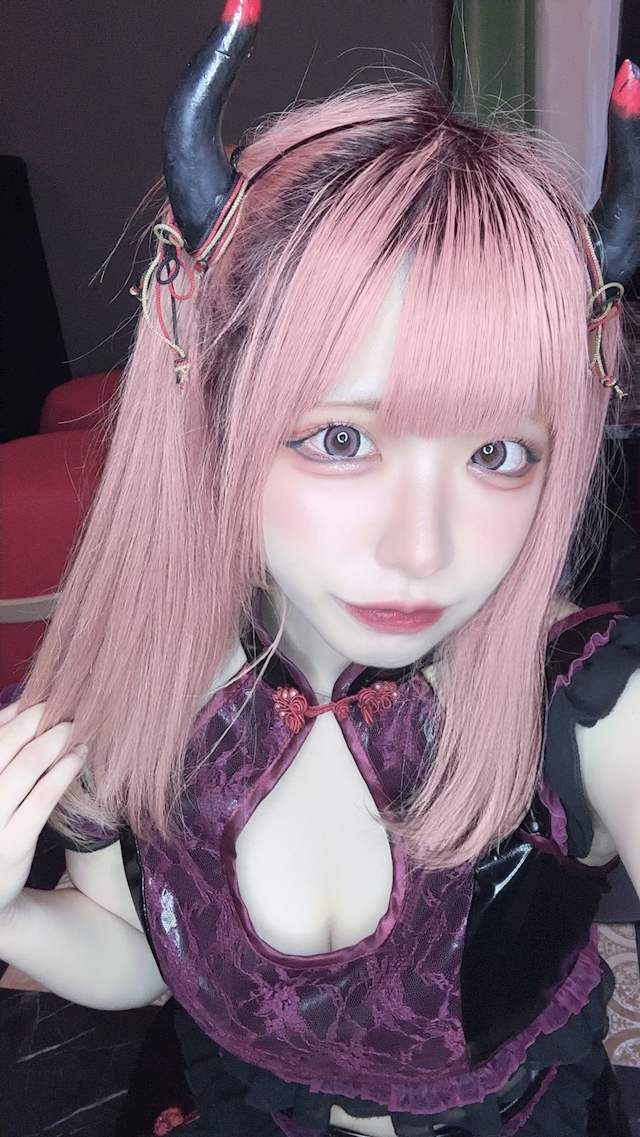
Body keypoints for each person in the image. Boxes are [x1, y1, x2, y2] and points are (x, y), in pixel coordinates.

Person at [1, 2, 640, 1134]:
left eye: (499, 454)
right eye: (341, 439)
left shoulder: (590, 710)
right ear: (212, 417)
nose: (424, 548)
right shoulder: (139, 684)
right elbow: (131, 951)